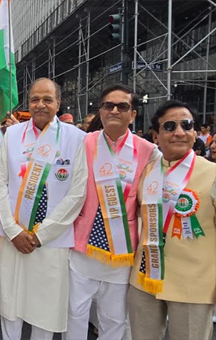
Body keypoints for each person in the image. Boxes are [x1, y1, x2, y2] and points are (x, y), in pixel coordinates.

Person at [0, 78, 87, 340]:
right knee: (10, 304)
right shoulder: (12, 134)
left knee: (44, 307)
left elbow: (77, 193)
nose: (40, 105)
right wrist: (12, 230)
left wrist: (41, 234)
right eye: (35, 99)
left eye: (47, 99)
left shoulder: (77, 138)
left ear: (58, 103)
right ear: (28, 103)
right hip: (11, 235)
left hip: (50, 239)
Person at [66, 85, 158, 340]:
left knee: (114, 318)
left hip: (121, 251)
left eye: (122, 106)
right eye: (108, 105)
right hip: (82, 247)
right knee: (75, 314)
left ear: (133, 114)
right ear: (101, 111)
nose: (115, 110)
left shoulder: (149, 152)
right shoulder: (84, 142)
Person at [127, 100, 216, 340]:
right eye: (169, 126)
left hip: (193, 283)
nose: (179, 132)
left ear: (195, 133)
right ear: (155, 136)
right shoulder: (147, 171)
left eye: (187, 125)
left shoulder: (212, 173)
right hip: (145, 278)